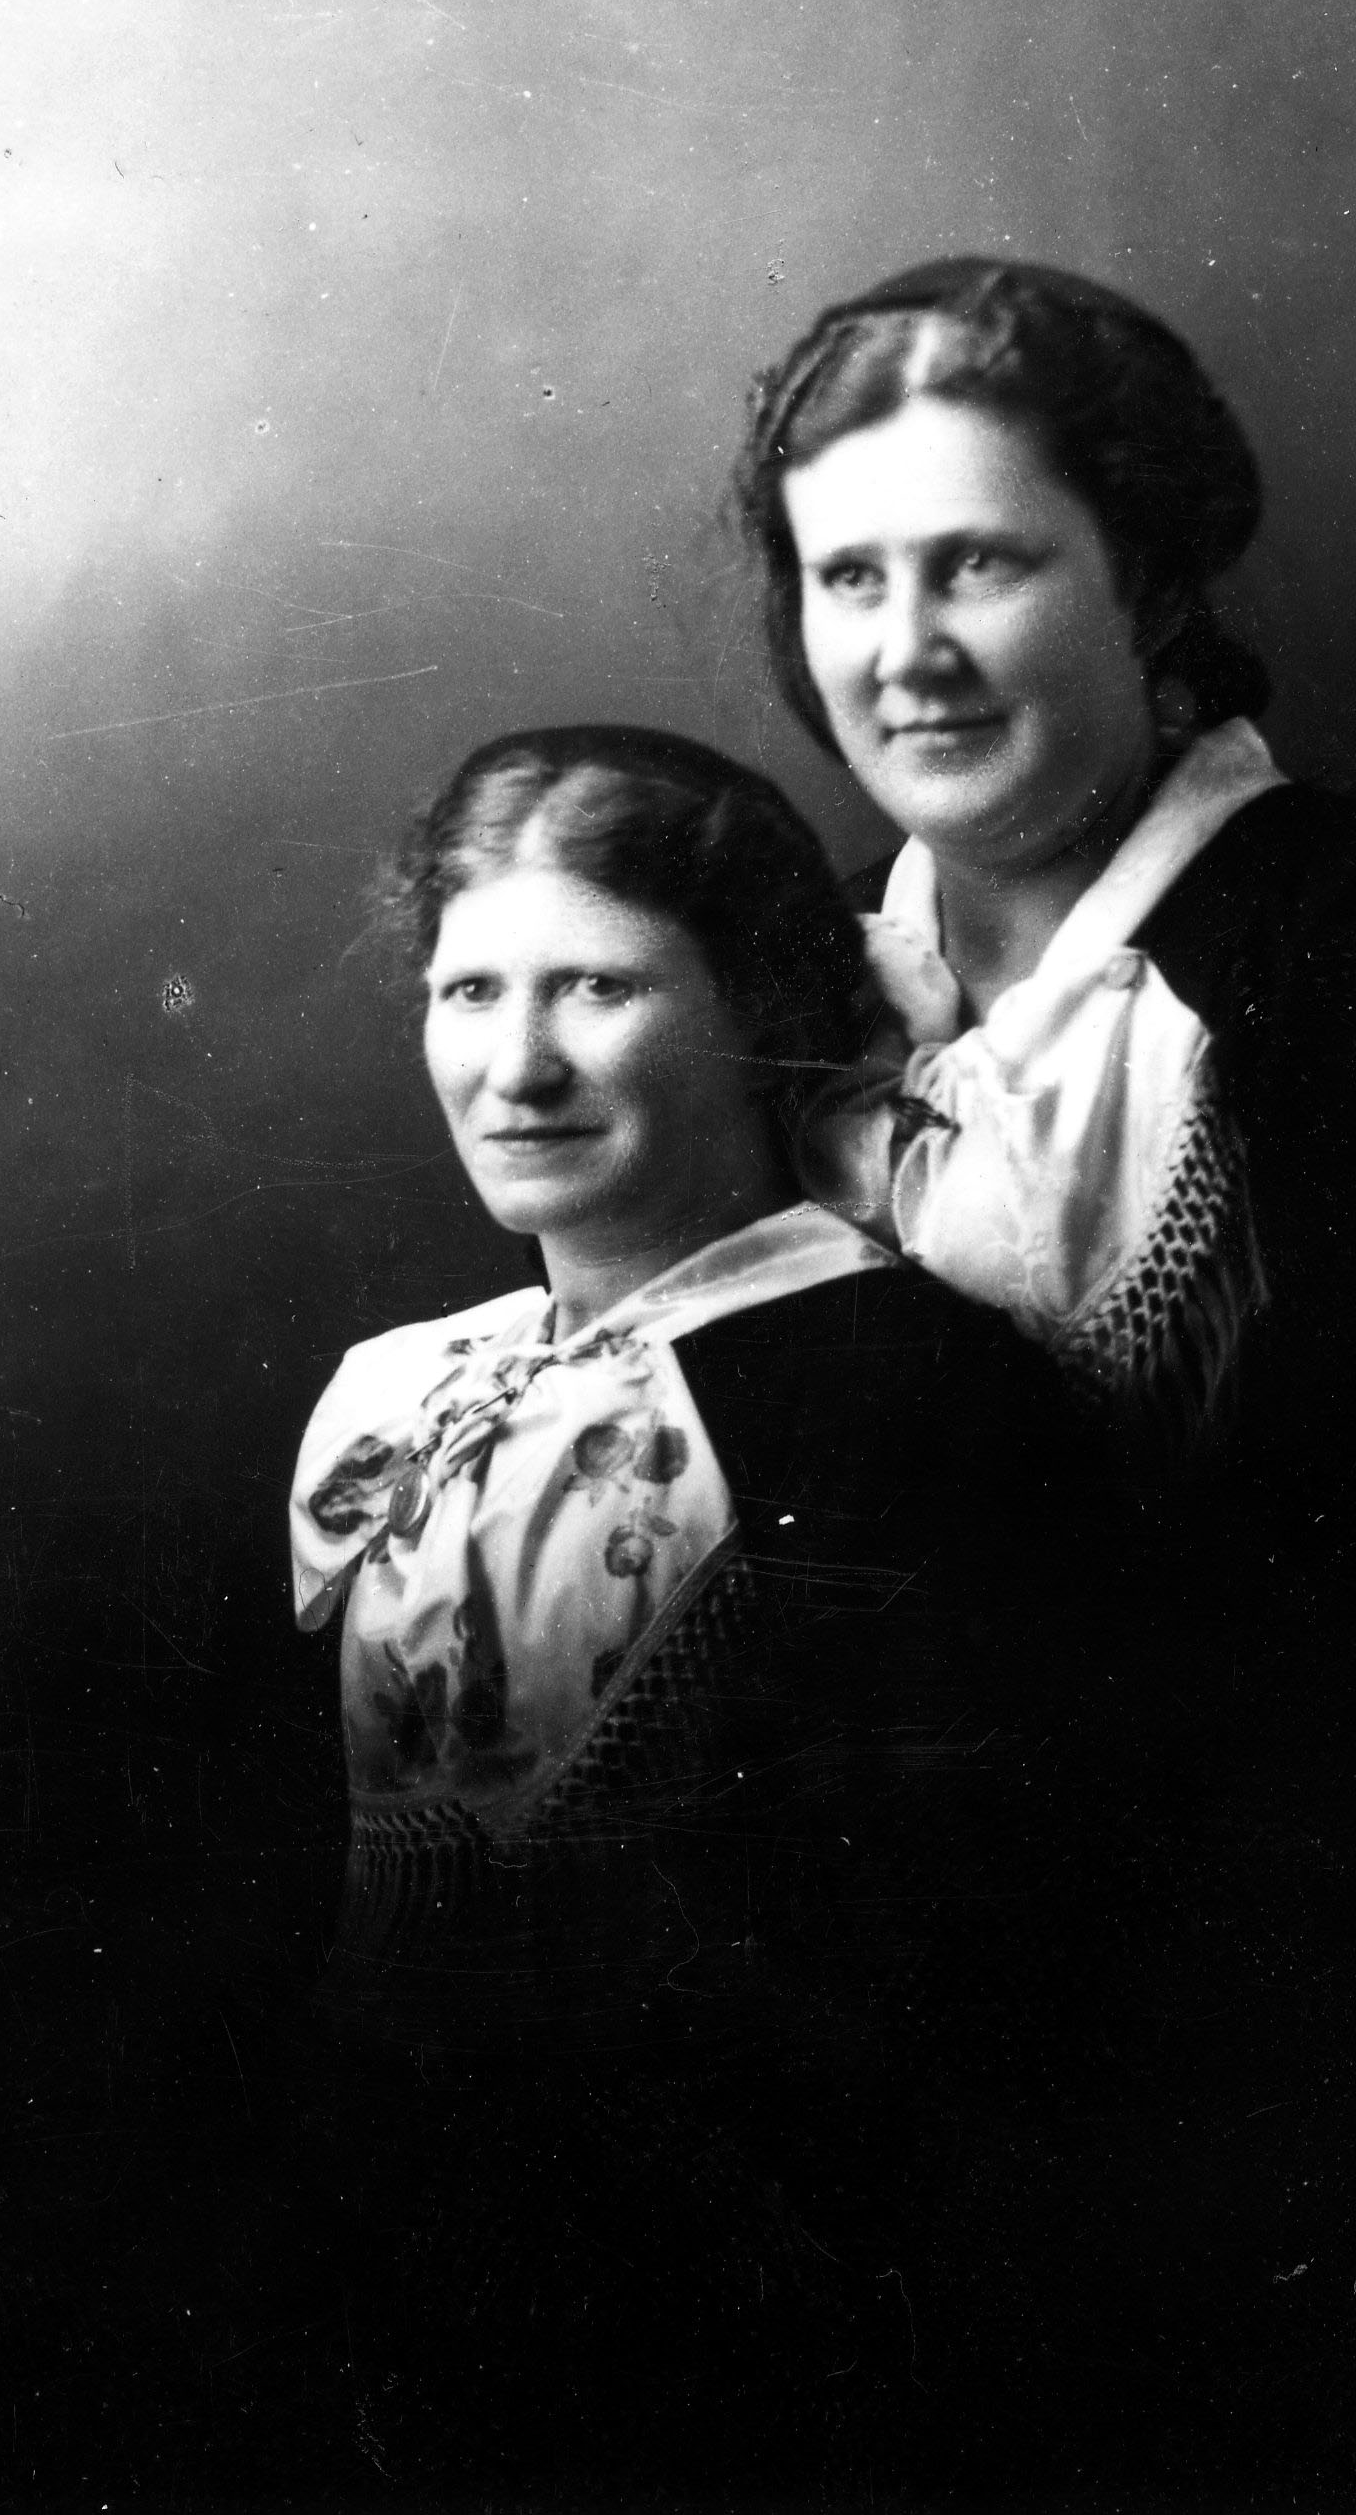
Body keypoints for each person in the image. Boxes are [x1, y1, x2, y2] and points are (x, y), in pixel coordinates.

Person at [284, 722, 1121, 2494]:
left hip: (770, 2348)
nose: (516, 1067)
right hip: (409, 2306)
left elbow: (972, 2003)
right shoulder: (389, 1398)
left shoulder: (901, 1390)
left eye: (596, 989)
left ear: (756, 1005)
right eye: (468, 993)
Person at [734, 254, 1356, 1555]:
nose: (909, 652)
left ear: (1147, 586)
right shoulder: (776, 980)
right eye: (851, 578)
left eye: (977, 563)